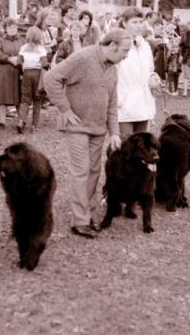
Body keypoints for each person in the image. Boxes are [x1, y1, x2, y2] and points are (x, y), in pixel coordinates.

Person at [43, 28, 130, 239]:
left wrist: (115, 133)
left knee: (93, 171)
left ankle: (89, 214)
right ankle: (79, 221)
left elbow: (111, 104)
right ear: (112, 46)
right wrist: (64, 108)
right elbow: (51, 78)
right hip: (77, 127)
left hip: (98, 129)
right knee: (81, 172)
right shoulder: (82, 57)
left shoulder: (113, 69)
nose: (126, 55)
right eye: (124, 51)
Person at [116, 8, 159, 139]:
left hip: (143, 103)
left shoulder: (145, 45)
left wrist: (153, 77)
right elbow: (108, 74)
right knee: (126, 146)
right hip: (123, 104)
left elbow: (149, 68)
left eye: (141, 21)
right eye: (134, 22)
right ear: (124, 23)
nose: (139, 25)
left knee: (142, 146)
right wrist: (119, 100)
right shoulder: (116, 44)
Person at [0, 17, 24, 130]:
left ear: (17, 28)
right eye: (9, 27)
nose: (12, 29)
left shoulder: (22, 41)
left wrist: (19, 60)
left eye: (14, 27)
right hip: (3, 71)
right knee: (2, 96)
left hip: (18, 71)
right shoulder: (0, 41)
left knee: (19, 96)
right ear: (5, 29)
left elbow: (27, 53)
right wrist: (9, 59)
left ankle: (21, 120)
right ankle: (2, 122)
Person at [16, 26, 47, 133]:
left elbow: (18, 62)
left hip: (26, 74)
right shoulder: (41, 49)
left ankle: (21, 120)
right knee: (37, 101)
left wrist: (21, 74)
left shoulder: (23, 48)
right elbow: (44, 64)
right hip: (37, 74)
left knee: (25, 100)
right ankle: (34, 125)